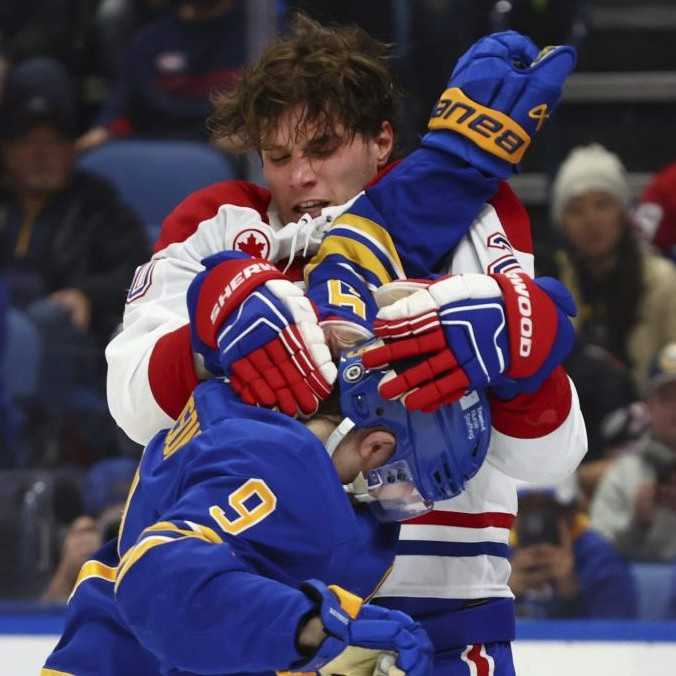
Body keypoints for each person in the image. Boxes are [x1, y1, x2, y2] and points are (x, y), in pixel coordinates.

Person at [106, 18, 585, 675]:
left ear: (381, 140)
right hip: (275, 622)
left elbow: (551, 460)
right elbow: (131, 409)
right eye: (278, 156)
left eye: (323, 146)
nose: (300, 175)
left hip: (445, 616)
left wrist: (520, 362)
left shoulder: (475, 216)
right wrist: (206, 340)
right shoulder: (221, 226)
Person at [43, 347, 491, 675]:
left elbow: (233, 588)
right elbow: (158, 581)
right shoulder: (286, 466)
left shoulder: (242, 412)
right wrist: (317, 628)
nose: (401, 500)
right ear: (376, 446)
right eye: (410, 483)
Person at [0, 57, 149, 462]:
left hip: (69, 358)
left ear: (73, 147)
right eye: (27, 142)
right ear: (6, 149)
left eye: (53, 142)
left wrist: (87, 294)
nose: (40, 155)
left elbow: (142, 273)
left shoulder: (98, 204)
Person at [548, 142, 676, 390]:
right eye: (576, 210)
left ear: (623, 212)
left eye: (603, 204)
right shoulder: (551, 288)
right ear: (561, 222)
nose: (591, 221)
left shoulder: (665, 282)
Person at [77, 0, 248, 151]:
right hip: (157, 148)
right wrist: (97, 136)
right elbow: (119, 112)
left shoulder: (258, 32)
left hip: (229, 152)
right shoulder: (150, 41)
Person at [590, 341, 676, 561]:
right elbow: (598, 556)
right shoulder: (623, 473)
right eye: (667, 398)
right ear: (648, 406)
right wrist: (636, 523)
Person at [510, 477, 637, 619]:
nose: (536, 523)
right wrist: (499, 596)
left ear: (572, 512)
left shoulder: (602, 561)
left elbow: (615, 635)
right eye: (525, 508)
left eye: (548, 508)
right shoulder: (497, 556)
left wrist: (571, 595)